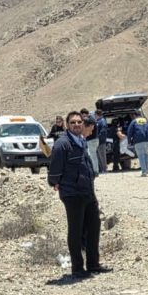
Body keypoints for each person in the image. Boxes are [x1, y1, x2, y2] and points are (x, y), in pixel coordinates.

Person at [46, 112, 109, 280]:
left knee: (93, 227)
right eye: (73, 122)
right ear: (67, 125)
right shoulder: (62, 144)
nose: (77, 124)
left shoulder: (81, 141)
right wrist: (54, 183)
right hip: (72, 194)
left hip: (87, 192)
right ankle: (77, 268)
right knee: (75, 231)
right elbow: (54, 169)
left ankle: (93, 264)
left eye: (79, 122)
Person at [92, 102, 108, 174]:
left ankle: (104, 169)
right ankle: (101, 169)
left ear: (97, 114)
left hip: (101, 141)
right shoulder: (98, 121)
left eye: (95, 115)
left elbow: (103, 131)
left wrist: (98, 138)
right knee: (99, 155)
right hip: (98, 141)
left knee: (102, 156)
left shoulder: (102, 121)